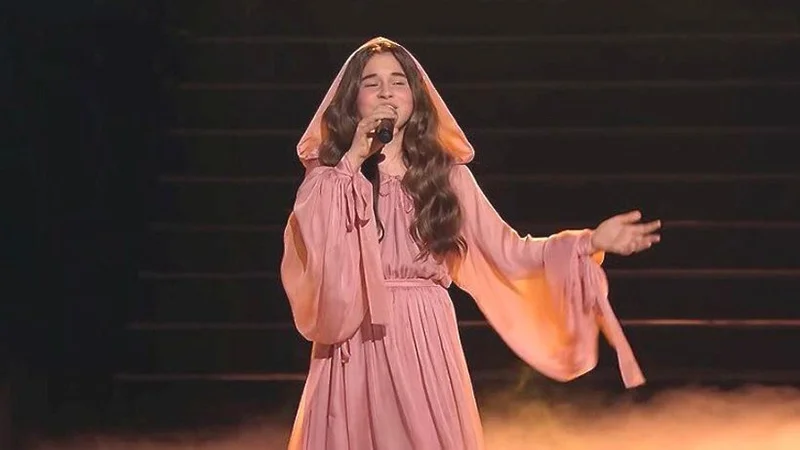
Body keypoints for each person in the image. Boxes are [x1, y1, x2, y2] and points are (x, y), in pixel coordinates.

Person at [280, 36, 661, 450]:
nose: (386, 92)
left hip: (421, 336)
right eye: (372, 83)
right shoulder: (329, 177)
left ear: (416, 96)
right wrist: (354, 158)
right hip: (353, 335)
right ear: (353, 99)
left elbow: (510, 251)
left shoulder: (447, 178)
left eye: (398, 81)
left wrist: (588, 241)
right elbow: (313, 244)